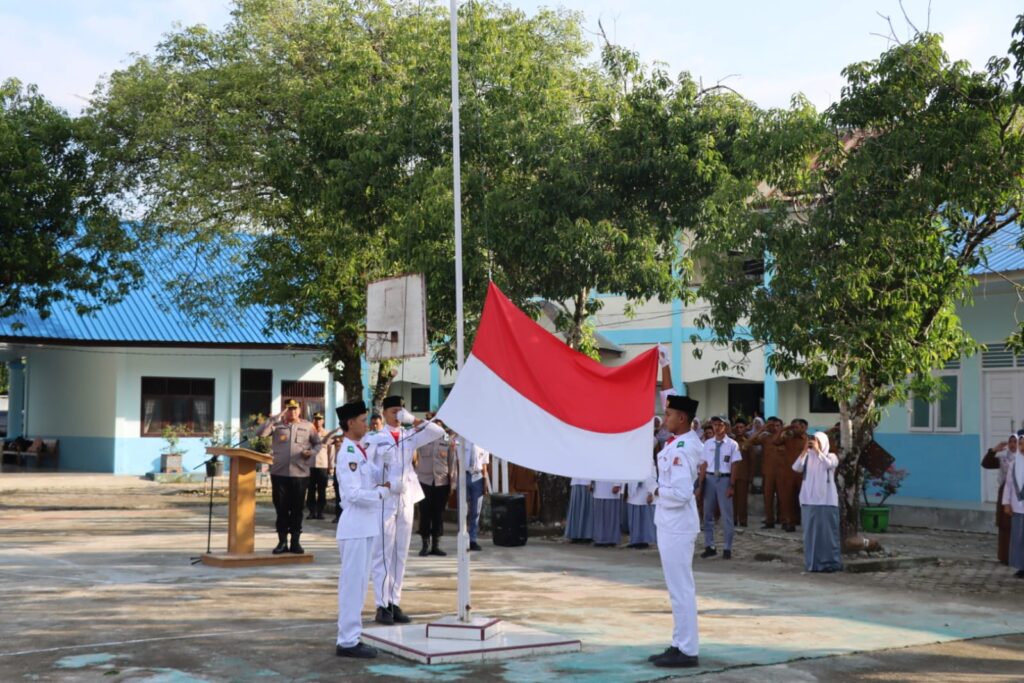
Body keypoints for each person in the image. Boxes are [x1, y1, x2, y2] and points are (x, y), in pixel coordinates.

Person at [363, 395, 445, 626]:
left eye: (401, 411)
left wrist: (413, 420)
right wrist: (383, 477)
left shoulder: (409, 435)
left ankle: (394, 601)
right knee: (383, 553)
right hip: (386, 499)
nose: (397, 415)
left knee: (401, 552)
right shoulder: (376, 438)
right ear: (385, 412)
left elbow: (438, 432)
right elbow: (367, 470)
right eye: (394, 411)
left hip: (406, 498)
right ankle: (382, 605)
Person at [649, 345, 702, 668]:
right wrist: (664, 366)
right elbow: (669, 396)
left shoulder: (684, 448)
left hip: (677, 523)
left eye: (668, 414)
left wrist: (654, 489)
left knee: (681, 589)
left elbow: (681, 493)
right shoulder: (680, 438)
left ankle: (687, 651)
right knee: (676, 588)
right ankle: (678, 643)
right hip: (670, 524)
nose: (663, 416)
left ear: (682, 419)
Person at [334, 400, 390, 659]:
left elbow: (376, 475)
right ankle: (347, 641)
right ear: (349, 423)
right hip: (355, 525)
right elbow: (354, 494)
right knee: (352, 586)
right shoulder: (347, 453)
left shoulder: (360, 450)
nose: (367, 423)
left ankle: (352, 636)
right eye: (362, 419)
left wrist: (386, 463)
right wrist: (380, 494)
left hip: (365, 526)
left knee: (359, 584)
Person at [258, 399, 320, 554]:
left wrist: (311, 453)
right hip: (279, 474)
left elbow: (317, 444)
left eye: (295, 409)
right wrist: (273, 419)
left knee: (297, 509)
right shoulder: (277, 426)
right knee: (281, 509)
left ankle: (295, 542)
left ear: (299, 410)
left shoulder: (308, 426)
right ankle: (282, 542)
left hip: (300, 474)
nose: (292, 412)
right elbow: (260, 433)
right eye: (289, 409)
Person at [793, 431, 842, 572]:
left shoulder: (830, 456)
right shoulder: (807, 457)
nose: (814, 443)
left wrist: (818, 451)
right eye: (813, 441)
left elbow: (829, 465)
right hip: (809, 500)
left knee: (827, 534)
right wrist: (804, 451)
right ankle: (813, 564)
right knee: (810, 534)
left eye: (817, 441)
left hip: (826, 501)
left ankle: (830, 563)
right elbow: (796, 468)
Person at [699, 415, 742, 559]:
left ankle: (727, 547)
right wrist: (701, 483)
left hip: (724, 479)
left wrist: (732, 484)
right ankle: (709, 545)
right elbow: (704, 464)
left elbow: (735, 465)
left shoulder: (732, 444)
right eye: (714, 424)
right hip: (710, 478)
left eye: (720, 424)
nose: (717, 427)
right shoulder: (708, 444)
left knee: (726, 515)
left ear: (726, 426)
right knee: (707, 514)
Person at [414, 421, 456, 557]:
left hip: (441, 482)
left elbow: (452, 462)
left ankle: (436, 545)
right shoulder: (422, 438)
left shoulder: (447, 440)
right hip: (424, 482)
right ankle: (425, 544)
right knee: (425, 513)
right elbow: (414, 458)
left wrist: (452, 484)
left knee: (438, 514)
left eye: (439, 426)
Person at [982, 435, 1017, 565]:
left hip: (1020, 496)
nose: (1013, 445)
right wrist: (994, 450)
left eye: (1016, 442)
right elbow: (986, 464)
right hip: (1006, 495)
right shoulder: (1003, 460)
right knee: (1005, 525)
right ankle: (1005, 557)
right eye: (1011, 442)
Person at [774, 419, 809, 532]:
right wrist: (783, 429)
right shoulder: (788, 438)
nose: (794, 429)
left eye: (796, 427)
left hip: (803, 475)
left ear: (804, 427)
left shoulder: (809, 440)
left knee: (804, 500)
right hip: (789, 474)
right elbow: (775, 441)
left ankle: (806, 523)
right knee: (788, 499)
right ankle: (789, 522)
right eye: (793, 427)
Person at [751, 417, 784, 529]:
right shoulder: (765, 437)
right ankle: (769, 520)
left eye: (777, 425)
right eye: (771, 425)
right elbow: (752, 441)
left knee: (782, 497)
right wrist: (762, 429)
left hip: (781, 472)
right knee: (768, 497)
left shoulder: (784, 437)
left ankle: (783, 519)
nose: (774, 428)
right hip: (768, 472)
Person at [1001, 435, 1024, 578]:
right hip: (1017, 508)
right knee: (1018, 538)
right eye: (1020, 444)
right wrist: (1006, 503)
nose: (1022, 447)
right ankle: (1021, 567)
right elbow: (1008, 485)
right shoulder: (1014, 463)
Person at [463, 440, 491, 551]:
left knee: (476, 511)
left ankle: (473, 539)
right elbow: (457, 461)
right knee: (463, 509)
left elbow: (484, 465)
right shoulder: (462, 440)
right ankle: (463, 538)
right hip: (464, 475)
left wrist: (484, 481)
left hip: (477, 476)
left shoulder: (483, 442)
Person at [627, 456, 658, 549]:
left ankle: (644, 541)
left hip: (644, 491)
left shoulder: (648, 459)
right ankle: (635, 540)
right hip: (634, 492)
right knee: (635, 518)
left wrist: (650, 493)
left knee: (644, 518)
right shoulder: (631, 458)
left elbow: (652, 476)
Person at [306, 413, 332, 520]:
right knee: (311, 490)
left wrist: (331, 465)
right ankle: (311, 512)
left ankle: (320, 512)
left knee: (322, 490)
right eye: (316, 419)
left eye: (320, 420)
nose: (317, 422)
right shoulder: (309, 433)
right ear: (313, 421)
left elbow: (331, 451)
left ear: (323, 421)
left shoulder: (327, 434)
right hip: (310, 465)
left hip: (322, 465)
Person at [730, 418, 751, 527]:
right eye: (737, 427)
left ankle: (743, 520)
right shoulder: (730, 441)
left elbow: (752, 460)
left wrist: (750, 476)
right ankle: (733, 518)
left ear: (745, 429)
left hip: (743, 474)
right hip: (731, 474)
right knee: (732, 499)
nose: (739, 429)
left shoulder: (748, 442)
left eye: (741, 427)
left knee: (742, 499)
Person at [591, 480, 624, 547]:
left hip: (611, 490)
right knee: (599, 518)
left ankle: (611, 540)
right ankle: (600, 539)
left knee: (611, 517)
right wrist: (589, 482)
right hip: (598, 490)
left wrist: (617, 484)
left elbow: (620, 470)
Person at [565, 477, 594, 543]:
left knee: (587, 509)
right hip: (576, 482)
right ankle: (575, 535)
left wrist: (590, 481)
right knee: (576, 510)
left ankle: (587, 535)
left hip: (586, 483)